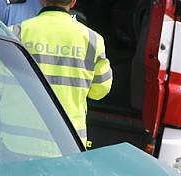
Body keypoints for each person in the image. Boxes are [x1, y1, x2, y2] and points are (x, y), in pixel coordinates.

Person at [11, 0, 112, 147]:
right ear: (73, 2)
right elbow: (100, 90)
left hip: (18, 141)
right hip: (68, 144)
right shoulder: (93, 40)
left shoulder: (16, 32)